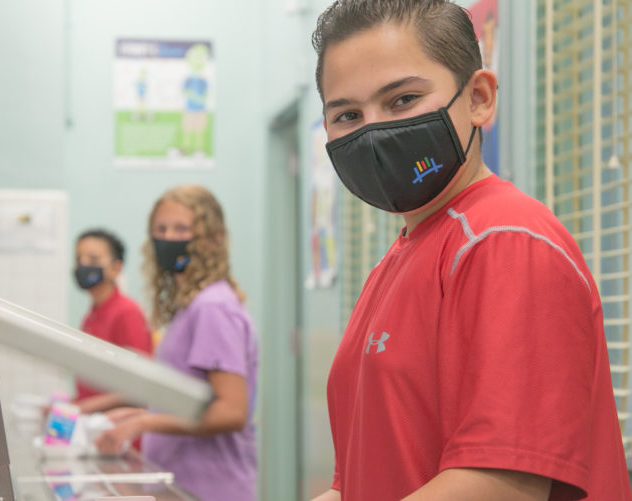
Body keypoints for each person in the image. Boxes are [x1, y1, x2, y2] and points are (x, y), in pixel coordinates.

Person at [311, 1, 632, 500]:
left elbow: (499, 484)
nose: (373, 131)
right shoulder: (399, 258)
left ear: (479, 98)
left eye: (402, 100)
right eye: (348, 114)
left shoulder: (504, 241)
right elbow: (360, 477)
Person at [94, 185, 258, 501]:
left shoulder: (213, 307)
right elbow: (190, 398)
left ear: (213, 238)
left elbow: (231, 412)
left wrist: (144, 422)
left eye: (182, 229)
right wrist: (134, 414)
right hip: (181, 484)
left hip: (210, 488)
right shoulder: (191, 307)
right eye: (161, 229)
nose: (169, 238)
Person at [73, 229, 153, 414]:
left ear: (116, 268)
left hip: (122, 432)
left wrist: (81, 408)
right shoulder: (92, 315)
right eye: (79, 259)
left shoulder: (127, 312)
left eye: (92, 259)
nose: (83, 265)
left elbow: (142, 385)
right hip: (95, 425)